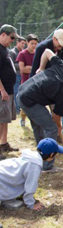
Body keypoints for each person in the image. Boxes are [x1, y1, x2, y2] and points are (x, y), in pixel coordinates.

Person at [18, 49, 63, 171]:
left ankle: (40, 158)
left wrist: (42, 68)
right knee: (51, 129)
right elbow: (56, 117)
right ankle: (47, 166)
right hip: (30, 101)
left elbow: (46, 52)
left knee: (39, 127)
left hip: (23, 92)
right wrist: (58, 127)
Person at [0, 138, 63, 210]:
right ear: (51, 155)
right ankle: (5, 198)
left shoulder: (31, 157)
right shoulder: (34, 166)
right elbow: (30, 186)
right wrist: (31, 204)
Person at [0, 24, 19, 160]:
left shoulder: (5, 49)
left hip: (9, 89)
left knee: (5, 120)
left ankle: (4, 143)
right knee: (1, 120)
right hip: (3, 91)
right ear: (3, 35)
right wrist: (2, 89)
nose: (12, 40)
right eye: (11, 37)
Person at [16, 34, 39, 127]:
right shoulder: (22, 54)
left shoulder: (37, 54)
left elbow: (39, 69)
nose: (34, 45)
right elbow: (22, 69)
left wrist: (30, 68)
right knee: (25, 102)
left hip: (36, 82)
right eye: (32, 43)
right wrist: (32, 68)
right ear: (27, 43)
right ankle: (22, 118)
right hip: (25, 82)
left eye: (35, 43)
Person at [9, 36, 26, 114]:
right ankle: (16, 108)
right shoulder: (12, 52)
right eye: (22, 43)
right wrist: (21, 65)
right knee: (15, 91)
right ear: (17, 42)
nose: (23, 45)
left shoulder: (23, 52)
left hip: (23, 74)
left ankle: (21, 107)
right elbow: (11, 64)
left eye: (24, 44)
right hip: (15, 75)